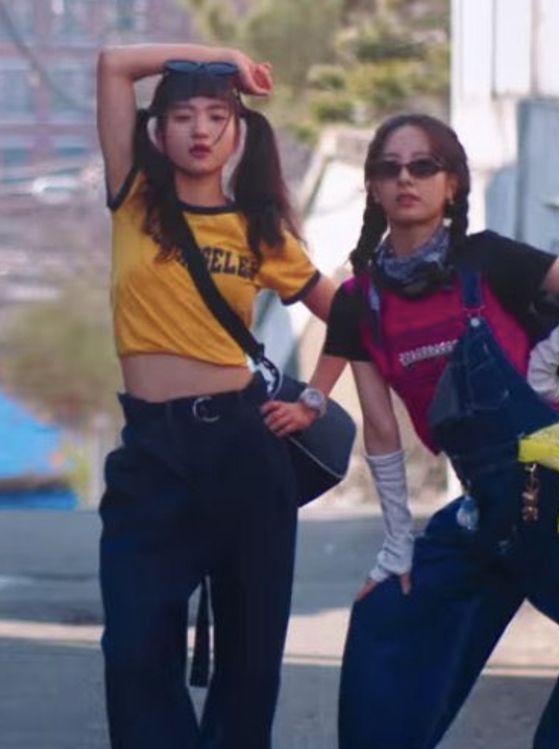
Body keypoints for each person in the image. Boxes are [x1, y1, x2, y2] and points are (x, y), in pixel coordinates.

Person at [264, 113, 559, 749]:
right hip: (496, 502)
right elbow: (381, 431)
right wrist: (397, 545)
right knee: (387, 620)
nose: (406, 179)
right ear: (371, 187)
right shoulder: (358, 302)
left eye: (423, 166)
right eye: (389, 168)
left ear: (451, 184)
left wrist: (545, 361)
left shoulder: (490, 260)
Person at [96, 43, 336, 748]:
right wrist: (224, 57)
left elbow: (348, 314)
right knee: (136, 649)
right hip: (153, 451)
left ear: (239, 131)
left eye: (216, 115)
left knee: (251, 658)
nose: (200, 130)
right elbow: (114, 64)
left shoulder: (261, 231)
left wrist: (316, 397)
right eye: (183, 116)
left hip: (245, 445)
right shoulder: (134, 198)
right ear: (159, 132)